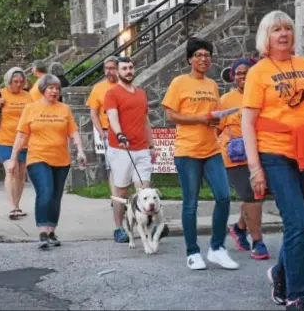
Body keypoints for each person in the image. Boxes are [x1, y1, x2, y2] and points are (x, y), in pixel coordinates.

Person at [241, 10, 304, 311]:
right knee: (295, 221)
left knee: (303, 225)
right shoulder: (258, 72)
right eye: (277, 29)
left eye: (288, 28)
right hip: (274, 153)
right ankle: (297, 295)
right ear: (266, 37)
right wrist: (255, 168)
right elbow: (247, 122)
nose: (284, 34)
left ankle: (279, 273)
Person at [161, 38, 239, 271]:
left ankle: (217, 248)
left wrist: (216, 120)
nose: (204, 59)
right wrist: (200, 119)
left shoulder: (213, 85)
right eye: (199, 55)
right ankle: (192, 252)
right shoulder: (179, 83)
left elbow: (212, 115)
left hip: (212, 148)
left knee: (224, 197)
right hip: (187, 150)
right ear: (190, 59)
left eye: (207, 55)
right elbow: (171, 116)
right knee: (191, 203)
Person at [9, 74, 87, 248]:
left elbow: (73, 132)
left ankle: (52, 231)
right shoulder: (30, 109)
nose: (55, 91)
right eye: (51, 88)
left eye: (57, 88)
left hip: (61, 159)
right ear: (43, 90)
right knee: (45, 190)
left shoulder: (64, 109)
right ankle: (42, 232)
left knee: (56, 196)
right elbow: (21, 135)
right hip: (37, 157)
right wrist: (13, 159)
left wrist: (80, 151)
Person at [105, 56, 168, 244]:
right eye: (124, 68)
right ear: (117, 72)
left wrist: (152, 145)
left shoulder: (141, 93)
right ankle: (119, 228)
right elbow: (112, 117)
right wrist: (120, 135)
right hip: (121, 148)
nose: (129, 71)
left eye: (131, 68)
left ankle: (149, 225)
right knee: (121, 192)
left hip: (141, 149)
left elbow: (145, 121)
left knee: (145, 190)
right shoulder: (112, 93)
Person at [218, 58, 269, 260]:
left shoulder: (263, 96)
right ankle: (258, 241)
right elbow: (215, 127)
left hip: (258, 151)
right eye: (238, 73)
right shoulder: (226, 100)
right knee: (251, 195)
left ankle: (240, 227)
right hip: (235, 155)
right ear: (233, 76)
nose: (242, 76)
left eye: (247, 72)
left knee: (258, 194)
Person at [0, 67, 33, 219]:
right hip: (4, 139)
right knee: (11, 169)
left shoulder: (28, 96)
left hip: (23, 140)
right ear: (8, 81)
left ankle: (17, 203)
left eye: (21, 82)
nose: (18, 85)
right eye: (15, 82)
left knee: (21, 173)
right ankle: (13, 207)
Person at [86, 56, 119, 235]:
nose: (108, 72)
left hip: (127, 131)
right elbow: (93, 113)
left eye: (112, 68)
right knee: (112, 167)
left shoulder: (125, 87)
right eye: (106, 68)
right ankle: (115, 197)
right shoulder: (98, 89)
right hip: (108, 132)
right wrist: (101, 132)